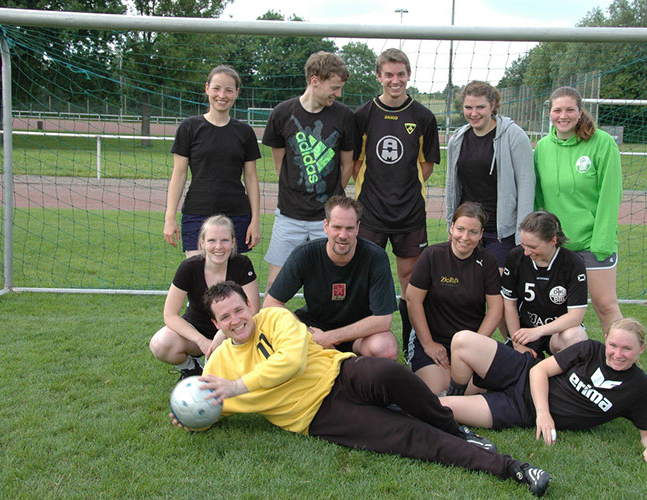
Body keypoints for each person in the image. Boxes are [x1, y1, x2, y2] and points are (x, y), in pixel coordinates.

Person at [170, 280, 552, 496]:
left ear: (249, 306)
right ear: (216, 324)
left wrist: (238, 386)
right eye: (225, 317)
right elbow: (209, 405)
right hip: (320, 416)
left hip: (342, 372)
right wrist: (193, 417)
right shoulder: (218, 368)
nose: (236, 320)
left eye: (239, 310)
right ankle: (513, 469)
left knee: (392, 375)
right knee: (406, 436)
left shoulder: (274, 318)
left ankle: (455, 427)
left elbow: (291, 362)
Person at [440, 318, 647, 468]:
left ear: (641, 349)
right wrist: (544, 414)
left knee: (441, 408)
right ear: (606, 339)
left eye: (627, 349)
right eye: (613, 345)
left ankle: (459, 397)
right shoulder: (591, 349)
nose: (617, 354)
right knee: (462, 340)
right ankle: (459, 392)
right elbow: (539, 370)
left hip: (520, 409)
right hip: (521, 372)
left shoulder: (641, 388)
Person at [353, 48, 441, 352]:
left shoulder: (423, 116)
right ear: (378, 76)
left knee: (410, 280)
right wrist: (377, 190)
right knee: (364, 278)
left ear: (409, 75)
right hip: (369, 213)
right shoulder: (363, 115)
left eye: (400, 74)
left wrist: (401, 189)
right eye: (388, 74)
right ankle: (362, 344)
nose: (395, 80)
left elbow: (426, 166)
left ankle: (410, 346)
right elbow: (355, 164)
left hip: (410, 214)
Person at [262, 51, 356, 290]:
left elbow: (347, 165)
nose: (338, 94)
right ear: (315, 81)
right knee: (276, 283)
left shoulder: (345, 116)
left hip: (328, 218)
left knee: (330, 284)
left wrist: (331, 197)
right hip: (288, 215)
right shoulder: (282, 113)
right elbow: (279, 164)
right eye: (334, 88)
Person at [263, 196, 399, 359]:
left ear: (358, 228)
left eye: (349, 228)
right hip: (313, 329)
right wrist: (308, 334)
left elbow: (383, 320)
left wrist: (331, 337)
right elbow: (271, 304)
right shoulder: (305, 254)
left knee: (385, 347)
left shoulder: (375, 257)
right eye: (337, 227)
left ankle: (359, 370)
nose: (343, 235)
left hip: (358, 334)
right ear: (326, 226)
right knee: (271, 336)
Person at [534, 86, 623, 334]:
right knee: (558, 309)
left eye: (569, 110)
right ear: (550, 113)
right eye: (557, 110)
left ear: (580, 112)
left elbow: (610, 196)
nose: (563, 116)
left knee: (605, 306)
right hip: (558, 245)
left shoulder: (602, 143)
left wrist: (602, 242)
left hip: (592, 243)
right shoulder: (542, 147)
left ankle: (622, 357)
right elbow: (539, 198)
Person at [164, 65, 262, 258]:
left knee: (232, 275)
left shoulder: (245, 132)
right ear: (207, 88)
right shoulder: (189, 127)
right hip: (197, 214)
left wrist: (255, 220)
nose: (222, 95)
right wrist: (170, 217)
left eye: (229, 90)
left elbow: (251, 178)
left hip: (236, 215)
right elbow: (179, 174)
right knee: (197, 273)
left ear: (237, 93)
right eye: (216, 88)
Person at [405, 202, 502, 394]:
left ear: (481, 234)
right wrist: (428, 344)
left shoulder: (488, 261)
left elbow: (495, 309)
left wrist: (476, 344)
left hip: (469, 342)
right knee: (438, 390)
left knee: (478, 388)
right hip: (434, 339)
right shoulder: (432, 255)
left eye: (473, 232)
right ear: (451, 228)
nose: (465, 237)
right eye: (460, 229)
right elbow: (412, 300)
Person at [150, 215, 260, 379]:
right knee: (160, 343)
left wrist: (222, 335)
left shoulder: (242, 264)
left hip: (234, 330)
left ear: (233, 242)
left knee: (237, 377)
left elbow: (254, 310)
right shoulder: (189, 267)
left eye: (224, 240)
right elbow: (170, 315)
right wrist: (201, 341)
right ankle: (191, 368)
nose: (218, 247)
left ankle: (236, 365)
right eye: (211, 240)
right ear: (202, 243)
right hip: (197, 332)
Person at [445, 81, 535, 271]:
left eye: (480, 107)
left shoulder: (514, 136)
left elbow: (526, 186)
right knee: (463, 284)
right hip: (468, 231)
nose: (474, 113)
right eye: (468, 107)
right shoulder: (457, 139)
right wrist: (451, 226)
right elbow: (451, 185)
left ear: (493, 105)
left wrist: (523, 236)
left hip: (500, 233)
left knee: (497, 285)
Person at [502, 211, 588, 359]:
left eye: (533, 247)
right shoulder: (515, 257)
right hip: (524, 332)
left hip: (558, 332)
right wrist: (517, 344)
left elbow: (576, 317)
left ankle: (566, 372)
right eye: (523, 245)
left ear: (553, 240)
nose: (526, 252)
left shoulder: (573, 263)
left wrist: (539, 331)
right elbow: (509, 304)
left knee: (576, 337)